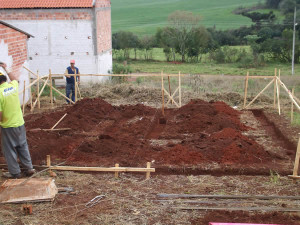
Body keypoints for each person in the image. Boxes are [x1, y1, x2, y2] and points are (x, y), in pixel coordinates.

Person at [0, 62, 35, 178]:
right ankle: (29, 168)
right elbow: (15, 80)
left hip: (7, 125)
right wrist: (6, 68)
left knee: (9, 149)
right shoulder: (12, 87)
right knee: (22, 145)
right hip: (20, 123)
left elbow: (0, 114)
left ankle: (15, 173)